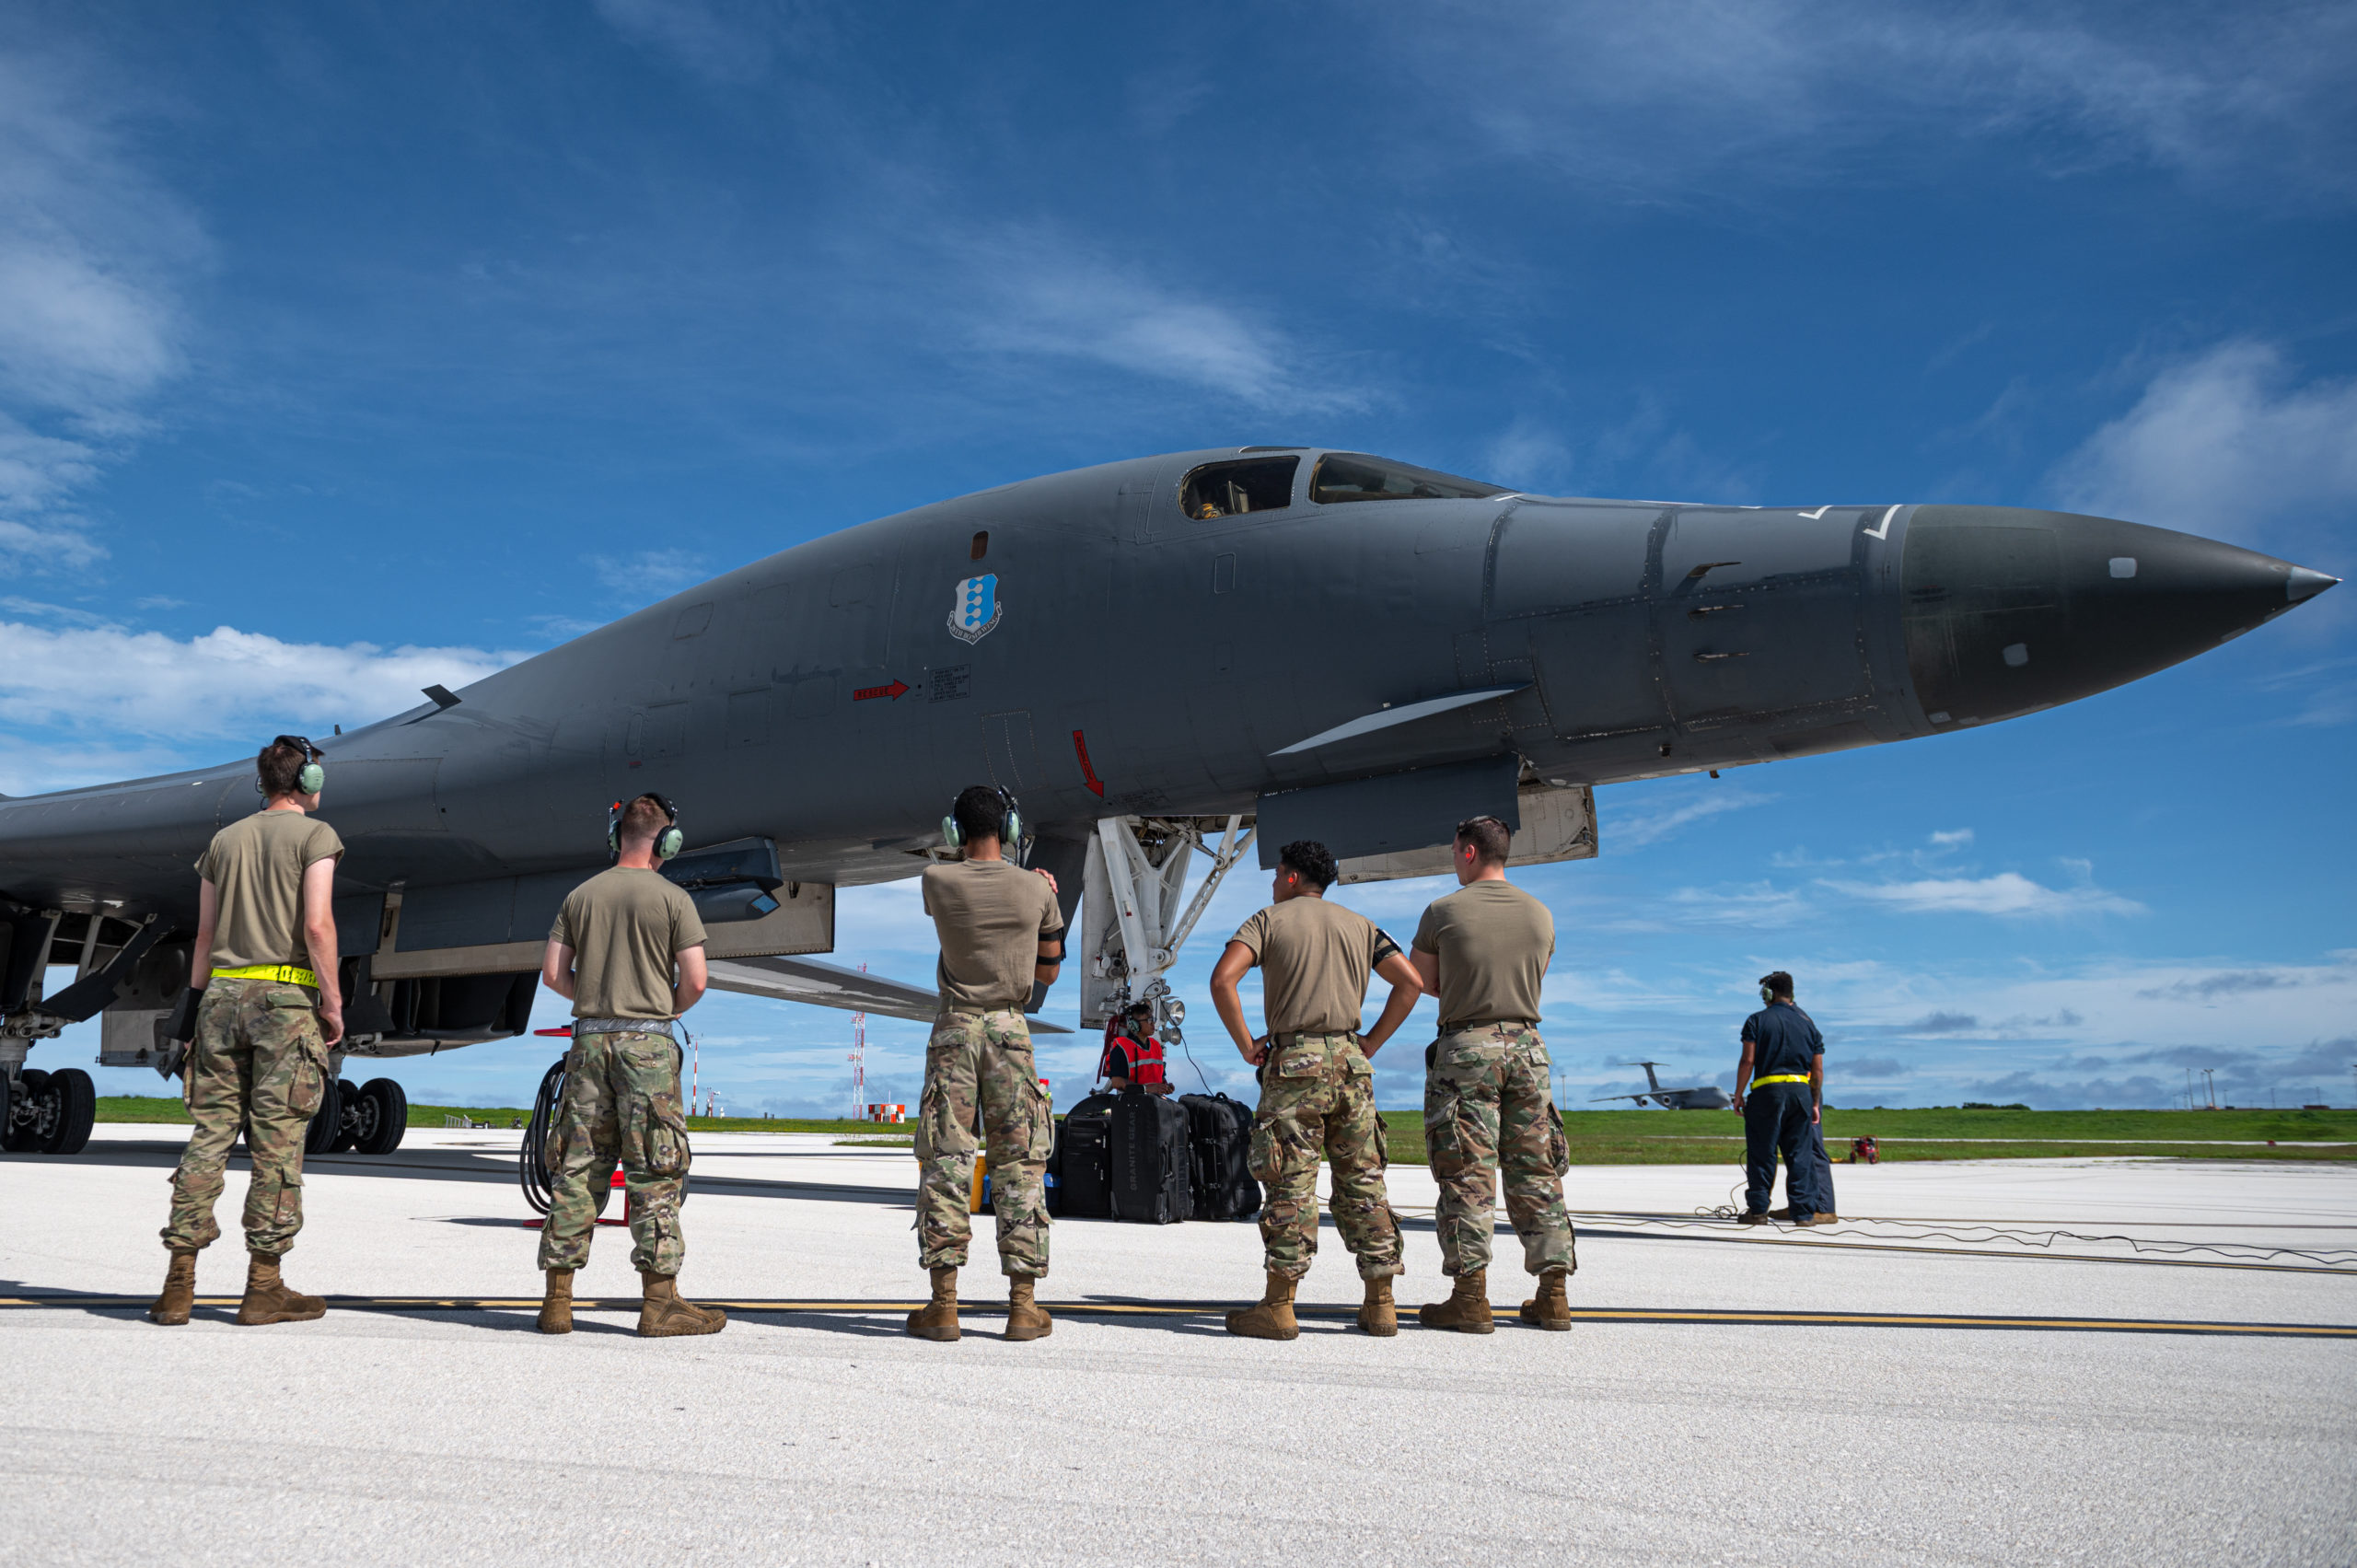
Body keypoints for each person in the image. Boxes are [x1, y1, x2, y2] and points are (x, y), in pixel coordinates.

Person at [149, 736, 346, 1328]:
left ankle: (177, 1285)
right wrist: (332, 1003)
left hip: (221, 997)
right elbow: (317, 926)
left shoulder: (224, 841)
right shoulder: (317, 837)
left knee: (209, 1136)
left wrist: (194, 1010)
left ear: (263, 782)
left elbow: (204, 938)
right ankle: (264, 1287)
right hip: (284, 1000)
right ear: (308, 781)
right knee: (277, 1143)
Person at [1208, 839, 1422, 1340]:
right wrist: (1369, 1042)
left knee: (1290, 1183)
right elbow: (1409, 983)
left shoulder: (1267, 921)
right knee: (1363, 1180)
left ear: (1288, 877)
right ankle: (1381, 1303)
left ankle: (1279, 1307)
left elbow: (1223, 980)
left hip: (1294, 1064)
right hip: (1351, 1063)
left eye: (1275, 874)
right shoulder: (1361, 925)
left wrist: (1246, 1045)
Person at [534, 793, 723, 1337]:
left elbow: (552, 974)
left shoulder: (580, 896)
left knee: (578, 1167)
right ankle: (659, 1302)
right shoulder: (673, 899)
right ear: (668, 841)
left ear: (616, 837)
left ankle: (557, 1302)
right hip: (647, 1046)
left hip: (589, 1043)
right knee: (654, 1168)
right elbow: (697, 980)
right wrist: (660, 1007)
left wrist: (595, 1000)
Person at [906, 784, 1063, 1343]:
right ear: (1012, 830)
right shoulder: (1036, 890)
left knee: (947, 1162)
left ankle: (943, 1306)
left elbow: (951, 895)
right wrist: (1046, 898)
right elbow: (1048, 973)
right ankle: (1023, 1307)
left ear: (954, 831)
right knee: (1019, 1166)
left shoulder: (935, 880)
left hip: (954, 1030)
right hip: (1010, 1031)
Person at [1407, 815, 1576, 1333]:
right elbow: (1536, 974)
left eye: (1455, 850)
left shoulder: (1443, 911)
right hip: (1528, 1048)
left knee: (1467, 1174)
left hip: (1468, 1047)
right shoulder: (1540, 914)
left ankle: (1470, 1298)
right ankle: (1553, 1295)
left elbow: (1424, 980)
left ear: (1469, 853)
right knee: (1537, 1173)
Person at [1730, 970, 1835, 1226]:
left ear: (1768, 993)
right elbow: (1818, 1069)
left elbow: (1748, 1060)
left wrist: (1738, 1094)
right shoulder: (1809, 1024)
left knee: (1762, 1153)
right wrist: (1813, 1102)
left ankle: (1757, 1211)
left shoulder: (1756, 1020)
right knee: (1799, 1154)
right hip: (1800, 1093)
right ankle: (1803, 1213)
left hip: (1768, 1093)